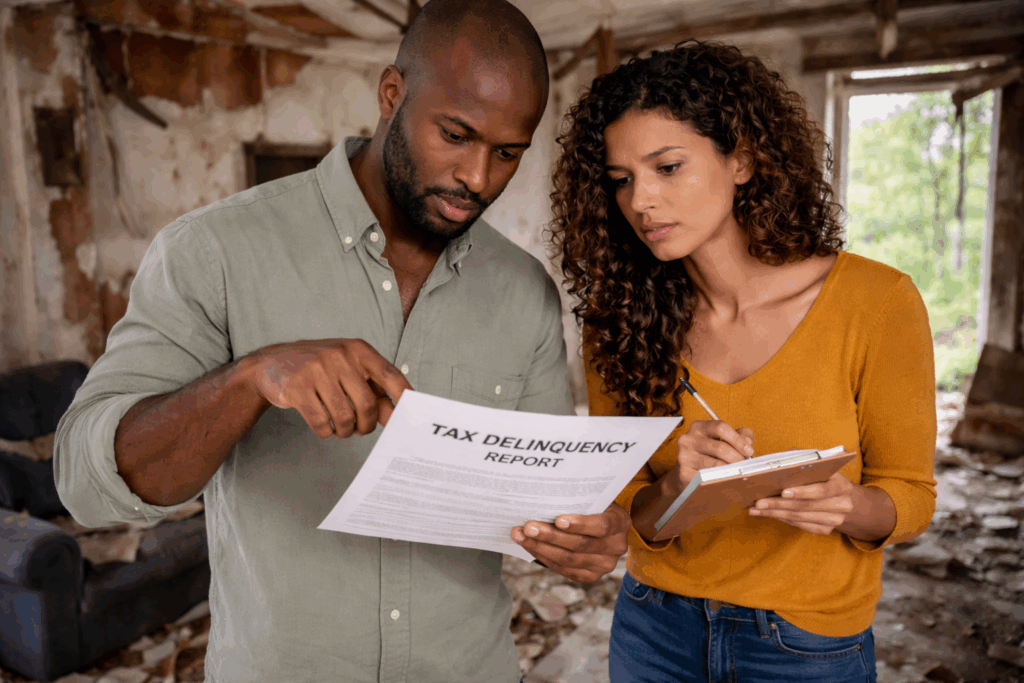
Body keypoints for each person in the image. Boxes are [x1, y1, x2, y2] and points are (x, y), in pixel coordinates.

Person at [54, 2, 630, 681]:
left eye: (507, 153)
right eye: (455, 133)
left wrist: (581, 537)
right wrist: (251, 379)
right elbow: (86, 488)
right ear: (391, 95)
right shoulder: (213, 250)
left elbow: (542, 504)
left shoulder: (524, 292)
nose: (477, 177)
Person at [549, 40, 937, 683]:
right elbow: (628, 515)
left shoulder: (878, 303)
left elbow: (912, 496)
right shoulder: (616, 322)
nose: (640, 200)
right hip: (654, 630)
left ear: (743, 160)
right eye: (621, 180)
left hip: (806, 645)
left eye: (667, 167)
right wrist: (676, 488)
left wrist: (848, 506)